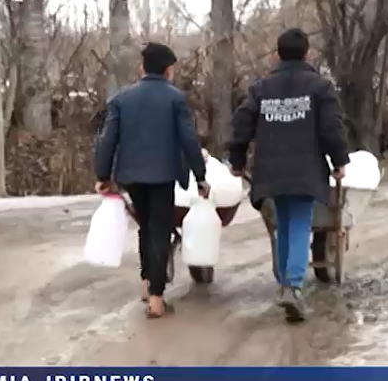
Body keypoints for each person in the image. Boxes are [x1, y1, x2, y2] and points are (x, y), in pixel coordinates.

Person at [227, 28, 350, 323]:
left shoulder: (261, 88)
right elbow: (332, 127)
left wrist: (237, 159)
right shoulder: (320, 87)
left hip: (269, 169)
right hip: (305, 169)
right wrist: (339, 160)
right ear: (307, 54)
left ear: (276, 55)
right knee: (298, 223)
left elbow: (242, 123)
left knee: (283, 223)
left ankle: (285, 282)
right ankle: (292, 287)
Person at [94, 42, 210, 319]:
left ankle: (147, 283)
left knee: (146, 228)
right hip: (163, 176)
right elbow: (188, 140)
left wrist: (102, 175)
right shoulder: (175, 99)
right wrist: (200, 176)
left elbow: (107, 139)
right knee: (159, 230)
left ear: (142, 67)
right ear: (169, 70)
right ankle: (156, 299)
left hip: (131, 176)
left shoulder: (122, 99)